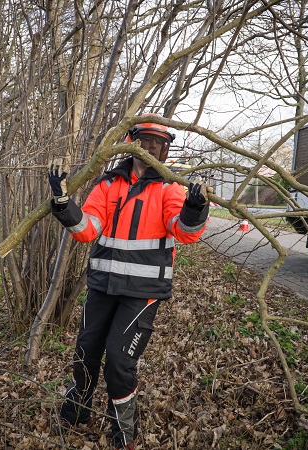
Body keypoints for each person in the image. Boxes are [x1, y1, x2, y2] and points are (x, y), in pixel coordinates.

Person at [48, 115, 210, 449]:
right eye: (145, 140)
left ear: (165, 150)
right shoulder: (108, 184)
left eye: (158, 143)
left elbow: (184, 232)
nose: (151, 147)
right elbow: (87, 230)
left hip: (143, 292)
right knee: (86, 352)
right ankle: (78, 411)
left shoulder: (170, 186)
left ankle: (124, 432)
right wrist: (64, 205)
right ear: (131, 143)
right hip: (103, 285)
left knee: (120, 362)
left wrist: (195, 209)